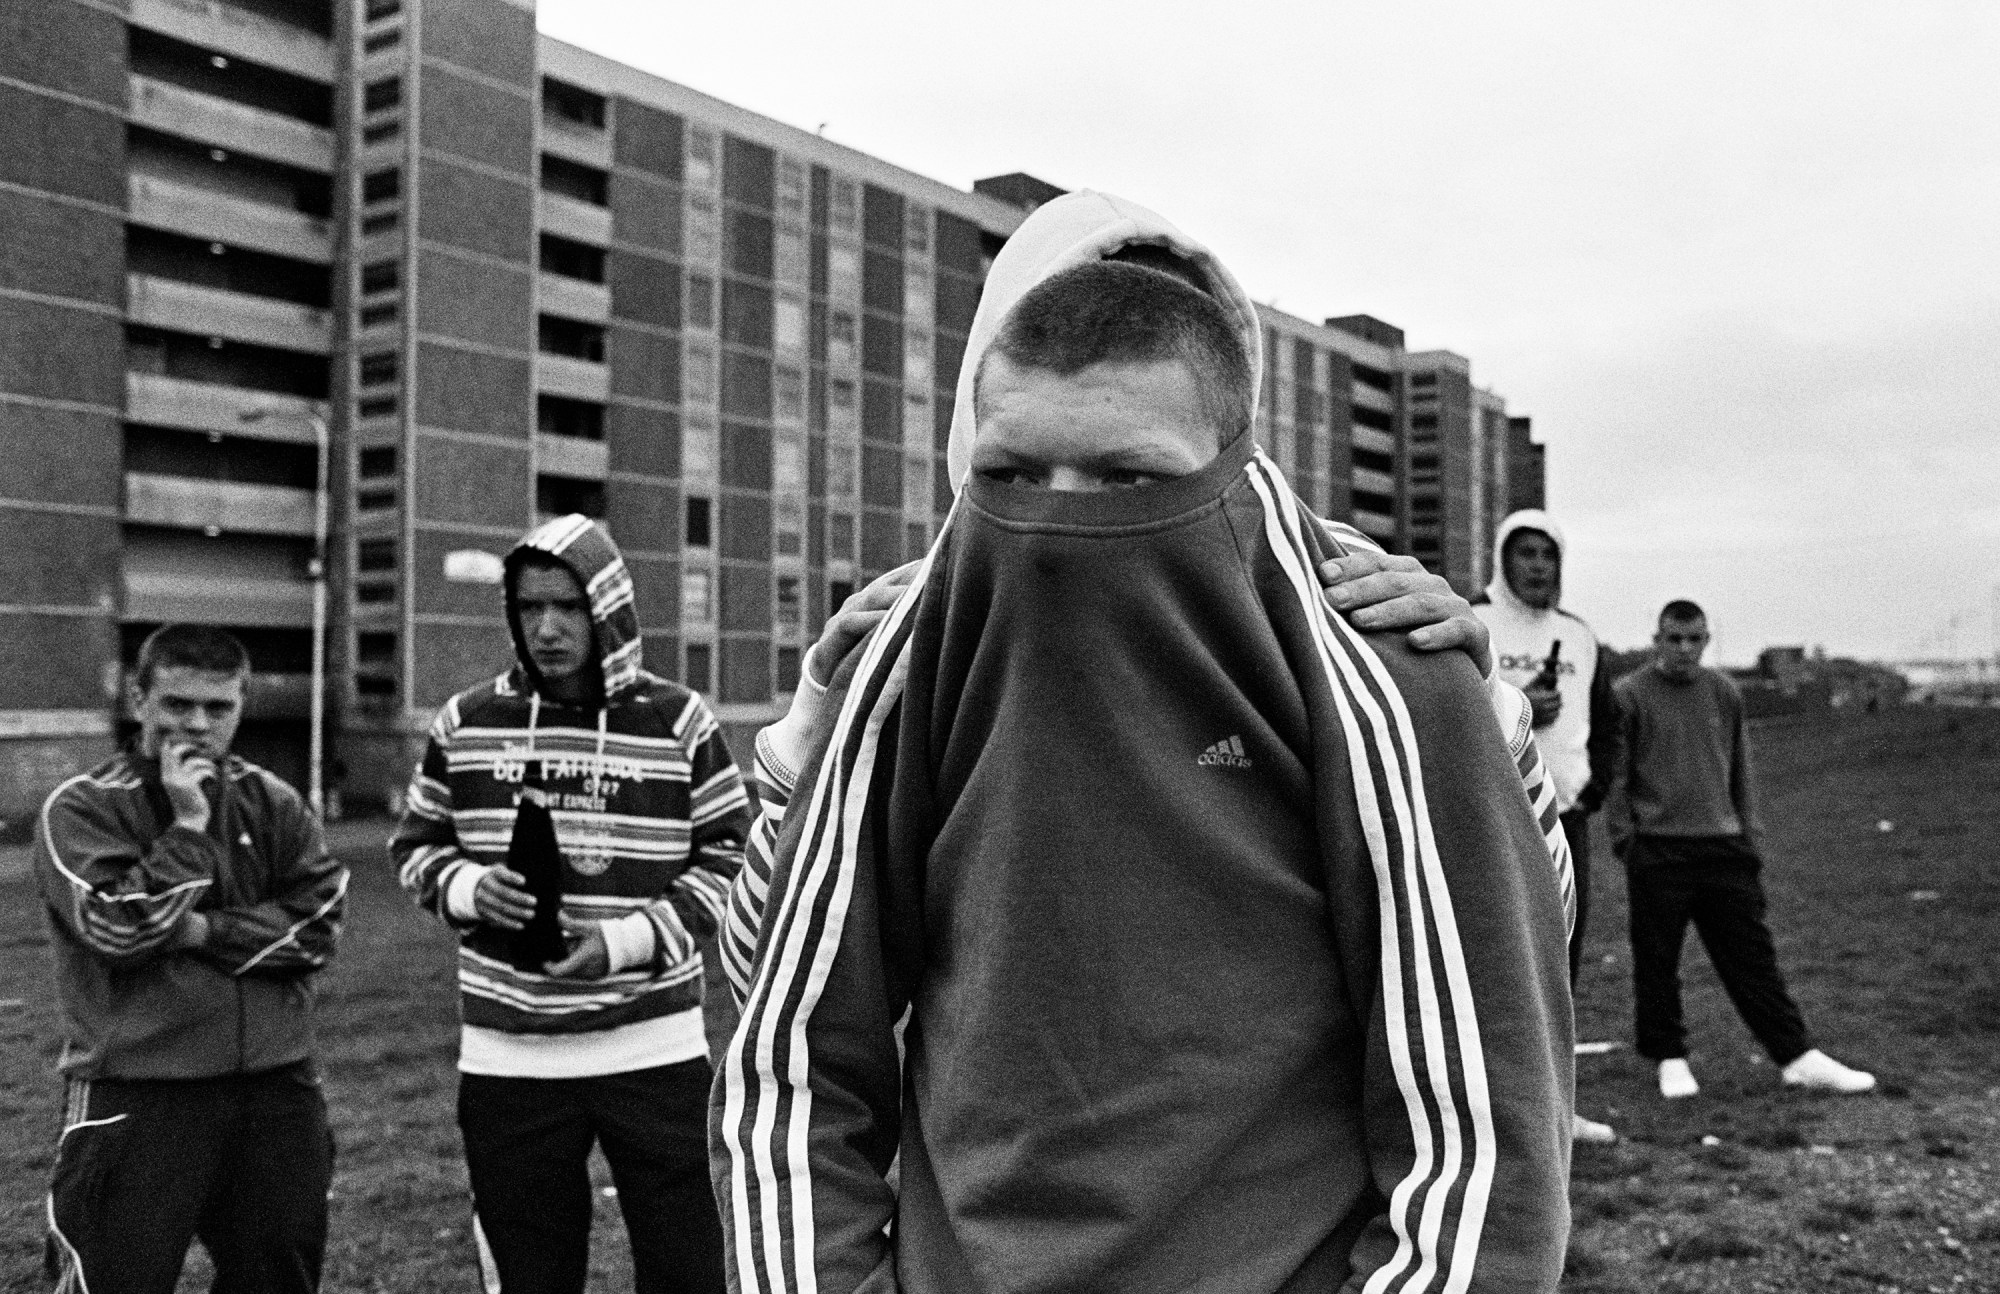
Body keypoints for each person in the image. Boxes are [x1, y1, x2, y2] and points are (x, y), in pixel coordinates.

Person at [713, 192, 1573, 1293]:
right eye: (1018, 471)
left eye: (1129, 478)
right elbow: (781, 1030)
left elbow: (1490, 1080)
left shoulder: (1371, 641)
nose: (1067, 515)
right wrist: (805, 733)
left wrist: (1482, 719)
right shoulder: (904, 648)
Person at [391, 514, 749, 1294]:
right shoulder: (468, 722)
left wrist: (624, 943)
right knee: (532, 1278)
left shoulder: (679, 722)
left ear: (609, 609)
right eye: (529, 608)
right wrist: (467, 887)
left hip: (654, 1051)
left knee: (690, 1272)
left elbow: (734, 859)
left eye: (569, 606)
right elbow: (415, 846)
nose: (547, 628)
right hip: (507, 1054)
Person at [36, 624, 348, 1293]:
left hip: (275, 1086)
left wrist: (203, 931)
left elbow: (318, 927)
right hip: (140, 1091)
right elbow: (121, 931)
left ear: (243, 706)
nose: (198, 725)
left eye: (219, 708)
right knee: (115, 1281)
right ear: (138, 697)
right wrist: (186, 828)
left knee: (280, 1278)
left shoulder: (275, 801)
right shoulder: (83, 808)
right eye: (178, 705)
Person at [1613, 600, 1875, 1099]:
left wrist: (1747, 836)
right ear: (1657, 639)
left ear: (1707, 640)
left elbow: (1740, 769)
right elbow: (1619, 774)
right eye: (1673, 638)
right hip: (1659, 850)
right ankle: (1670, 1058)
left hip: (1724, 847)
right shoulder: (1629, 695)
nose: (1684, 649)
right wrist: (1627, 839)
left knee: (1752, 958)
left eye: (1694, 639)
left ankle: (1796, 1055)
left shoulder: (1725, 692)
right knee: (1657, 960)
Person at [1474, 510, 1622, 1145]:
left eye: (1547, 554)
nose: (1537, 565)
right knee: (1496, 959)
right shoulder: (1474, 621)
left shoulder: (1578, 637)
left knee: (1562, 962)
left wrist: (1595, 786)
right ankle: (1490, 1113)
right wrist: (1519, 704)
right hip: (1492, 814)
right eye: (1524, 552)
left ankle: (1555, 1111)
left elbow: (1608, 726)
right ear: (1504, 559)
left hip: (1568, 819)